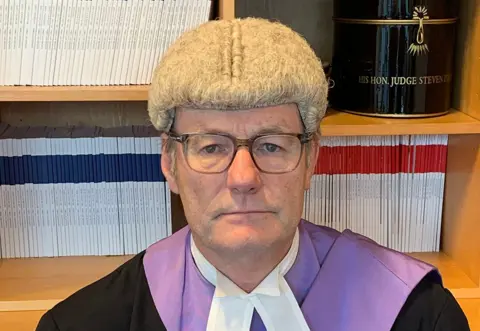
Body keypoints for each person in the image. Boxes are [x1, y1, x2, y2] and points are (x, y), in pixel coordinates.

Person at [36, 17, 470, 331]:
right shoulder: (84, 323)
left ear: (310, 160)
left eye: (270, 145)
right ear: (170, 163)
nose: (243, 178)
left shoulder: (420, 316)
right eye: (211, 147)